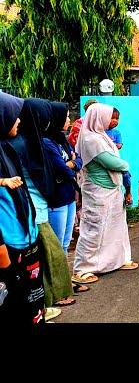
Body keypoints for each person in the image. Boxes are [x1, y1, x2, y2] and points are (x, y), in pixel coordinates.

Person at [10, 98, 76, 314]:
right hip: (32, 212)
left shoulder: (33, 140)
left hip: (37, 208)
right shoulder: (23, 143)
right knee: (46, 255)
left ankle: (45, 302)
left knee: (50, 253)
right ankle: (44, 303)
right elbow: (55, 171)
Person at [72, 103, 138, 285]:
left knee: (115, 226)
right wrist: (125, 165)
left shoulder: (101, 136)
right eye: (109, 117)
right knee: (95, 229)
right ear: (98, 117)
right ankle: (82, 268)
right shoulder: (90, 139)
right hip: (98, 191)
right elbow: (112, 162)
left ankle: (115, 261)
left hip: (112, 189)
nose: (111, 121)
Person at [0, 92, 46, 327]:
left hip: (27, 239)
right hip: (8, 250)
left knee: (33, 302)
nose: (18, 121)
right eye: (13, 116)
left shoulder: (5, 149)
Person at [42, 102, 84, 257]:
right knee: (57, 244)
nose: (69, 121)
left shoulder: (62, 140)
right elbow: (62, 169)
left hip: (69, 195)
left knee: (66, 241)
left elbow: (79, 160)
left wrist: (72, 163)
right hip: (57, 198)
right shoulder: (47, 142)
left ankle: (66, 279)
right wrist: (71, 164)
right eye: (66, 117)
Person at [105, 107, 132, 206]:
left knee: (126, 174)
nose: (115, 121)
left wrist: (114, 145)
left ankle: (128, 193)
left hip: (115, 158)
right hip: (105, 160)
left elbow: (120, 144)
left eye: (117, 119)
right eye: (113, 118)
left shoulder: (116, 132)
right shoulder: (101, 131)